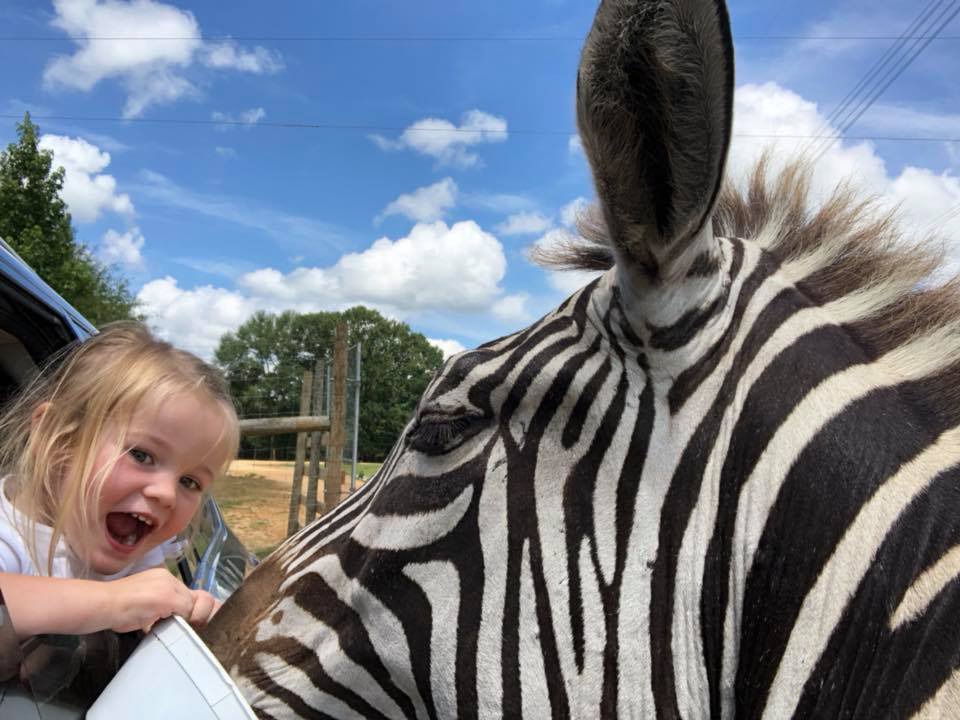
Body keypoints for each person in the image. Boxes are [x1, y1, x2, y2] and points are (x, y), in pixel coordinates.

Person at [0, 323, 239, 640]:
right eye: (141, 456)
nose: (167, 494)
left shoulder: (143, 555)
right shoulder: (8, 537)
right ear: (56, 439)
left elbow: (153, 597)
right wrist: (115, 601)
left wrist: (189, 611)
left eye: (190, 482)